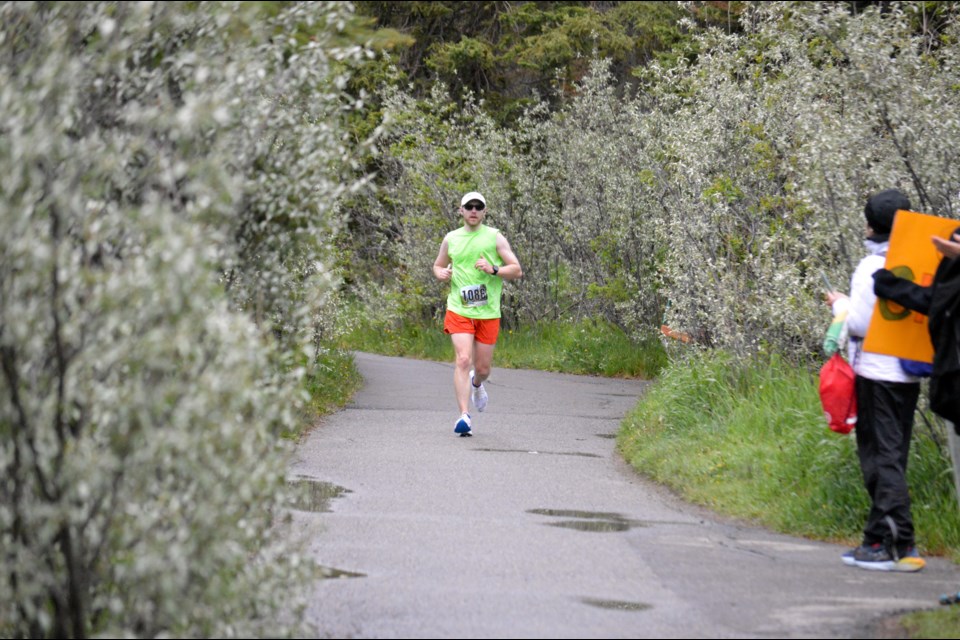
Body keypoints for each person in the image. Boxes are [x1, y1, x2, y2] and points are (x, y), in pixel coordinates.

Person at [825, 188, 925, 572]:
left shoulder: (871, 267)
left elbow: (861, 324)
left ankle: (899, 543)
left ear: (870, 226)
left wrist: (838, 305)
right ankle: (875, 539)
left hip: (876, 372)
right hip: (907, 372)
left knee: (880, 458)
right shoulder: (915, 260)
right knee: (893, 455)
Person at [432, 192, 522, 436]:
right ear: (460, 210)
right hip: (459, 308)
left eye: (478, 207)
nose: (473, 210)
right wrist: (439, 273)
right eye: (468, 206)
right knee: (462, 359)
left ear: (484, 211)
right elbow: (438, 264)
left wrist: (493, 269)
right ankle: (464, 415)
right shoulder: (451, 238)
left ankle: (477, 384)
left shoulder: (494, 237)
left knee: (482, 368)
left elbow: (516, 270)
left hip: (487, 311)